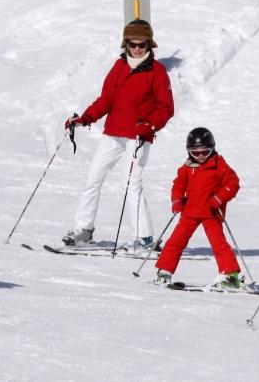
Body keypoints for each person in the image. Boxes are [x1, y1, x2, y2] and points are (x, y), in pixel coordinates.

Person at [62, 19, 174, 249]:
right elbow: (106, 99)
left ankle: (144, 238)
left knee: (131, 184)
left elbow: (166, 107)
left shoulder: (157, 71)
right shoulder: (119, 66)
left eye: (142, 44)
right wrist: (85, 118)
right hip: (113, 132)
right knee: (92, 178)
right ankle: (84, 230)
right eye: (133, 44)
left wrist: (150, 125)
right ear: (126, 44)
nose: (137, 48)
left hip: (138, 136)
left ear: (149, 45)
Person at [155, 127, 242, 288]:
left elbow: (233, 183)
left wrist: (219, 198)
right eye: (195, 153)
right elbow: (179, 184)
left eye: (205, 152)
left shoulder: (219, 164)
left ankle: (230, 275)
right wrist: (176, 200)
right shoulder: (188, 167)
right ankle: (164, 271)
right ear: (189, 152)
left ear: (212, 149)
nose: (200, 156)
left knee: (219, 244)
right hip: (189, 212)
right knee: (176, 241)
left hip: (211, 212)